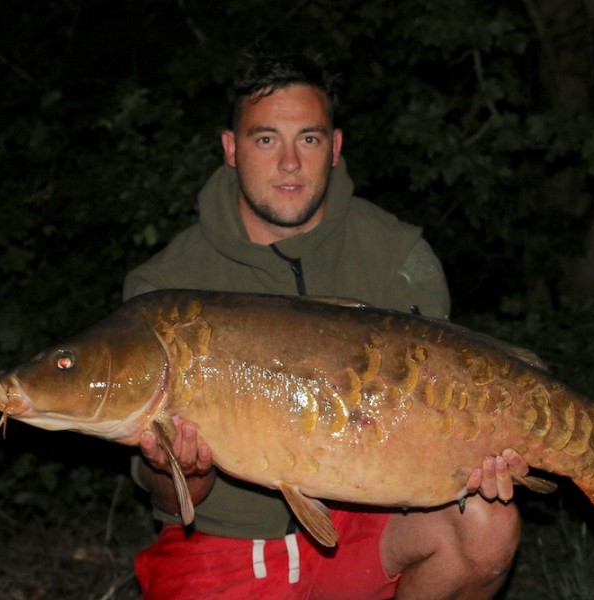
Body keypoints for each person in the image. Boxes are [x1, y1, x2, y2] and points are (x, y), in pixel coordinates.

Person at [123, 52, 527, 599]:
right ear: (231, 148)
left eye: (308, 139)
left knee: (484, 522)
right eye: (266, 139)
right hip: (221, 542)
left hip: (364, 524)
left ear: (334, 148)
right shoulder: (165, 288)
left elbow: (435, 410)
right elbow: (169, 504)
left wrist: (473, 458)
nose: (289, 162)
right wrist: (183, 471)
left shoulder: (397, 255)